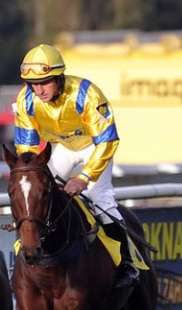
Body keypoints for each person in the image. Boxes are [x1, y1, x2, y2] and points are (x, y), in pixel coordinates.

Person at [12, 43, 137, 289]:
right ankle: (24, 262)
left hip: (95, 146)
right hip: (64, 149)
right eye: (33, 84)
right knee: (33, 198)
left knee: (101, 201)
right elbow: (26, 150)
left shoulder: (85, 94)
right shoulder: (26, 101)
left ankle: (126, 264)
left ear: (59, 77)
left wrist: (84, 178)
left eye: (45, 82)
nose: (39, 90)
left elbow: (108, 140)